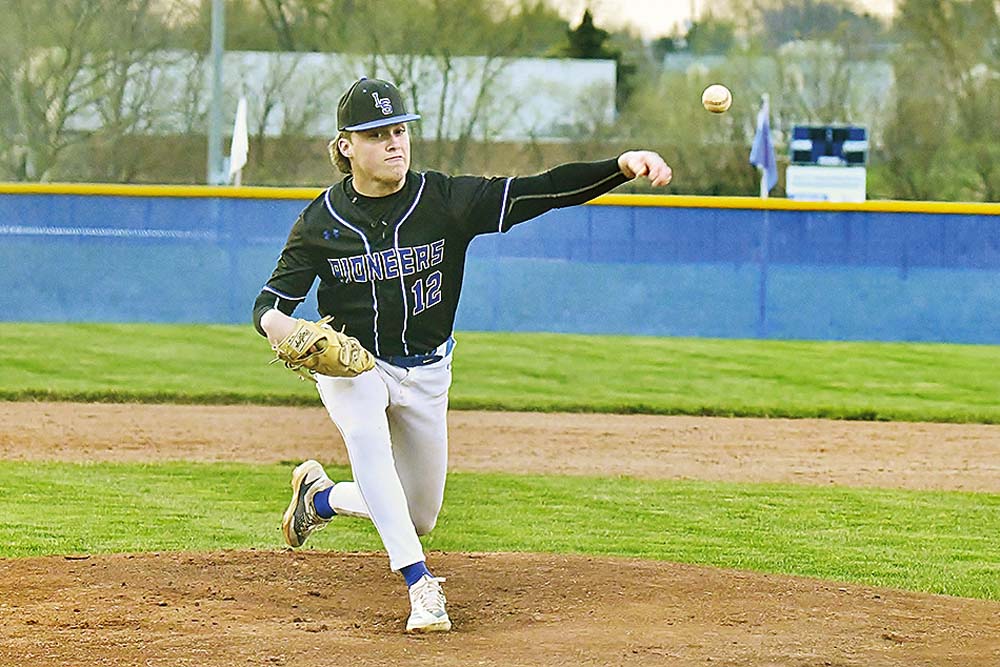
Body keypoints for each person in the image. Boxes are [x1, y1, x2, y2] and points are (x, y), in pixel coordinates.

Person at [252, 77, 672, 633]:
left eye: (400, 130)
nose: (394, 142)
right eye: (377, 134)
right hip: (356, 364)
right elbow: (268, 305)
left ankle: (321, 500)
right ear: (346, 146)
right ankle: (420, 586)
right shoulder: (321, 222)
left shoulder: (443, 200)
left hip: (428, 369)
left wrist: (619, 167)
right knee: (366, 438)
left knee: (419, 513)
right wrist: (283, 328)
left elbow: (541, 190)